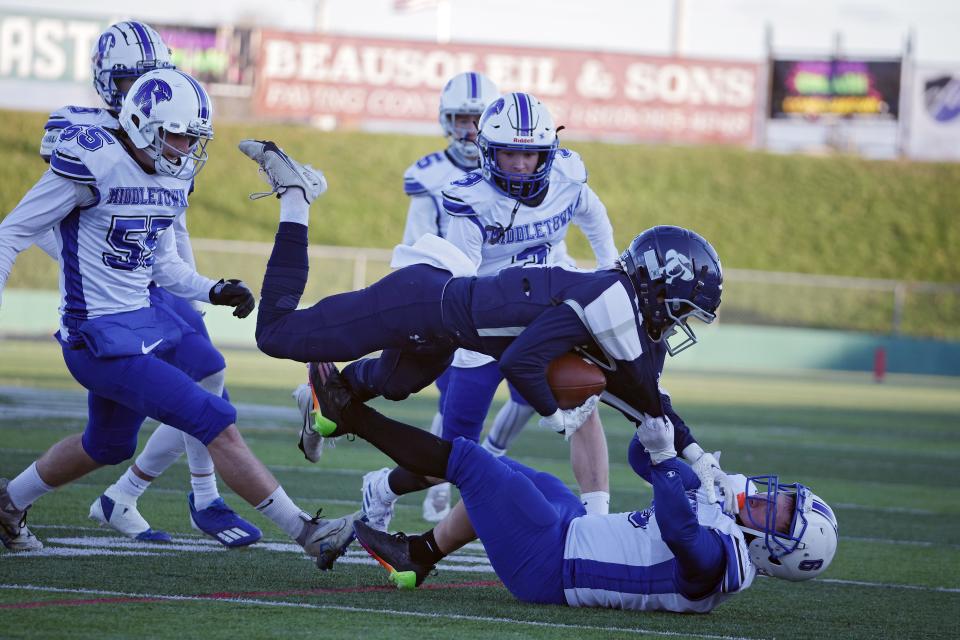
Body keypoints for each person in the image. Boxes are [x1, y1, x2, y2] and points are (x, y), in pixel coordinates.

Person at [245, 140, 734, 512]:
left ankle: (328, 399)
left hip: (445, 333)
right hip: (420, 302)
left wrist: (698, 457)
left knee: (397, 386)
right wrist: (553, 414)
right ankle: (297, 196)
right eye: (682, 309)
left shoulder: (619, 306)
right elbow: (531, 363)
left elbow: (645, 399)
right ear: (660, 287)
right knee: (276, 334)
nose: (679, 323)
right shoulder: (611, 301)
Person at [0, 69, 359, 567]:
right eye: (176, 135)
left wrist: (211, 288)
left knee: (108, 443)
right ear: (141, 121)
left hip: (143, 320)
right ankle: (307, 532)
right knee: (214, 419)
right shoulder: (94, 160)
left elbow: (164, 265)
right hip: (97, 336)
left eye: (193, 138)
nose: (185, 148)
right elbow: (11, 232)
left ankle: (9, 502)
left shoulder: (173, 174)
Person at [0, 20, 260, 547]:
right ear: (104, 81)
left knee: (208, 371)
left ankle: (190, 495)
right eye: (125, 82)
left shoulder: (172, 132)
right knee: (113, 438)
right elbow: (35, 225)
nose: (135, 94)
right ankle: (43, 499)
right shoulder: (86, 136)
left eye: (149, 79)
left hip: (153, 282)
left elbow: (173, 230)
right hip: (110, 291)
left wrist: (199, 291)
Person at [313, 361, 839, 609]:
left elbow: (679, 528)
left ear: (775, 554)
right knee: (520, 478)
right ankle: (419, 554)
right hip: (570, 533)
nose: (769, 501)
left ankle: (345, 415)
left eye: (779, 515)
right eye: (781, 498)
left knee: (473, 463)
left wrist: (670, 462)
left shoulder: (725, 564)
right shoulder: (726, 528)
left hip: (551, 564)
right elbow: (642, 459)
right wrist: (666, 436)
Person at [356, 91, 621, 531]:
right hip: (486, 324)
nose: (520, 164)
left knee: (584, 403)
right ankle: (383, 486)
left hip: (546, 315)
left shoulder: (569, 177)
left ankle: (599, 524)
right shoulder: (471, 199)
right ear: (489, 152)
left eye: (530, 153)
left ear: (547, 152)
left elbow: (594, 215)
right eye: (509, 153)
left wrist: (608, 265)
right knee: (453, 454)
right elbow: (465, 282)